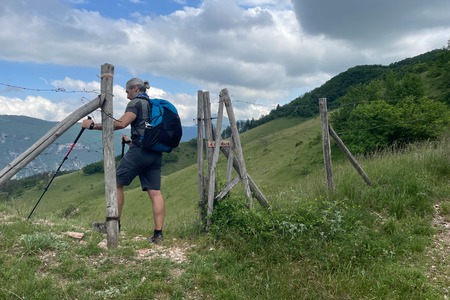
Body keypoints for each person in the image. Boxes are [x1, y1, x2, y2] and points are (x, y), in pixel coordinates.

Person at [81, 78, 164, 244]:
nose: (127, 96)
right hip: (155, 152)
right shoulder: (154, 105)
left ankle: (113, 225)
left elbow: (121, 123)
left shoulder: (136, 103)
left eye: (127, 92)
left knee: (116, 183)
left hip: (140, 151)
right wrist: (130, 142)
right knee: (155, 192)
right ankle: (158, 235)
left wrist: (92, 125)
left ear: (134, 88)